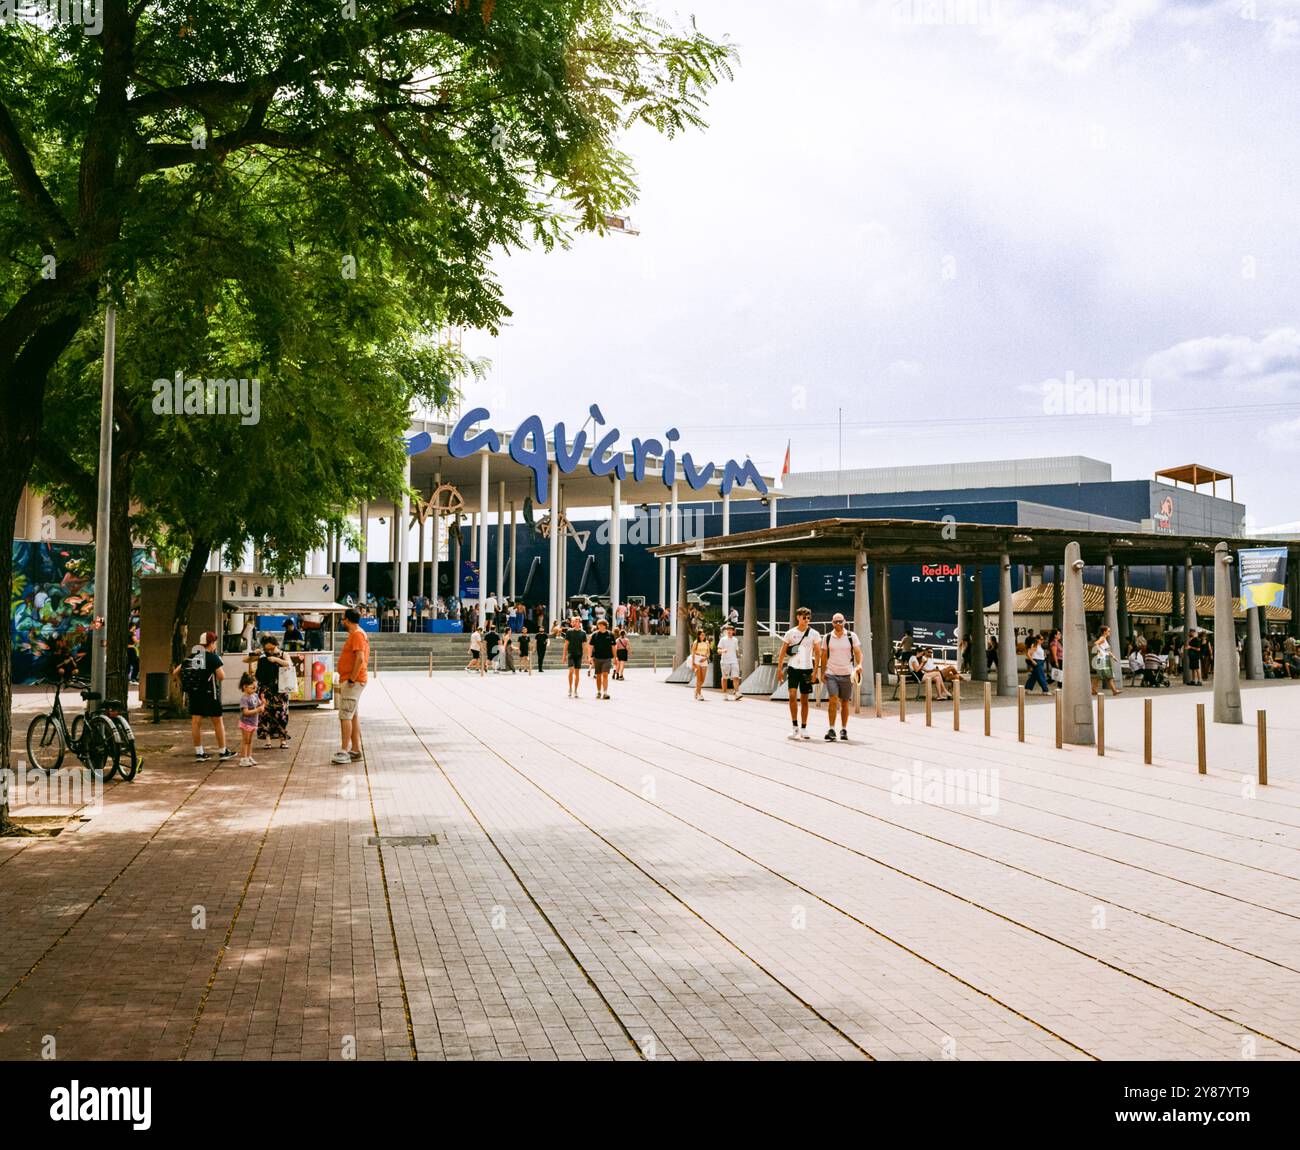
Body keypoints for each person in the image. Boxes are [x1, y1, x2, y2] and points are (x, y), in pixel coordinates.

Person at [173, 631, 236, 761]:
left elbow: (176, 672)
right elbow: (221, 677)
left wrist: (183, 683)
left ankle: (199, 753)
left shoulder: (194, 656)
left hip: (194, 693)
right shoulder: (212, 657)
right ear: (212, 643)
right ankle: (223, 751)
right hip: (209, 693)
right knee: (217, 722)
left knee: (196, 722)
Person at [776, 607, 821, 739]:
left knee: (805, 699)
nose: (806, 620)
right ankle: (794, 726)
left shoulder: (814, 633)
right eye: (804, 617)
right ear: (798, 617)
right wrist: (779, 669)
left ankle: (804, 727)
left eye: (808, 617)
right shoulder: (791, 633)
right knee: (792, 694)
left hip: (807, 668)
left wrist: (815, 671)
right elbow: (783, 651)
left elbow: (818, 652)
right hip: (793, 667)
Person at [332, 608, 369, 765]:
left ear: (347, 620)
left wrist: (352, 679)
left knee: (345, 714)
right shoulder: (357, 634)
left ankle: (344, 750)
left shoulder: (357, 634)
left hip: (352, 681)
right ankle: (355, 749)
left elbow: (360, 658)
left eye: (343, 619)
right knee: (352, 715)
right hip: (352, 679)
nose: (342, 622)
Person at [819, 613, 862, 741]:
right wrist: (822, 672)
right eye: (836, 622)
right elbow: (823, 656)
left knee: (844, 702)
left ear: (844, 622)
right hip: (831, 673)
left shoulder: (851, 636)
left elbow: (858, 653)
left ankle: (843, 729)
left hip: (847, 674)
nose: (838, 624)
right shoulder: (827, 637)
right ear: (832, 623)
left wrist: (859, 665)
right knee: (832, 699)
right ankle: (831, 729)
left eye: (840, 621)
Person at [253, 635, 293, 750]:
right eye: (267, 649)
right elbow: (246, 660)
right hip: (265, 689)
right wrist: (255, 654)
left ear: (276, 645)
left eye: (271, 648)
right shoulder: (262, 655)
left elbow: (289, 664)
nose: (269, 651)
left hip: (280, 689)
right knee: (265, 714)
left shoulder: (283, 654)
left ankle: (283, 740)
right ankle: (268, 741)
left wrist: (276, 660)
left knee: (281, 714)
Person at [236, 673, 264, 767]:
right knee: (245, 741)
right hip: (246, 723)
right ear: (245, 687)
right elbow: (245, 712)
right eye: (253, 687)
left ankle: (249, 756)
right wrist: (257, 710)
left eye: (256, 687)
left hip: (253, 722)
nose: (255, 689)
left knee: (250, 741)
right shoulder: (244, 698)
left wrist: (263, 702)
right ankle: (243, 759)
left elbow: (260, 706)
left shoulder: (255, 696)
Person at [588, 618, 616, 700]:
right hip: (597, 658)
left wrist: (615, 657)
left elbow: (613, 647)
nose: (599, 626)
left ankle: (605, 692)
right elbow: (590, 646)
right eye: (598, 625)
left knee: (605, 674)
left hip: (607, 658)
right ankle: (599, 691)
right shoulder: (594, 635)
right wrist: (589, 657)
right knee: (598, 676)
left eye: (600, 625)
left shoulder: (610, 635)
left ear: (605, 626)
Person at [563, 616, 588, 698]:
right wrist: (564, 656)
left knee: (577, 673)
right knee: (571, 671)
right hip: (571, 653)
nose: (576, 622)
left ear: (580, 622)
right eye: (575, 621)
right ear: (573, 622)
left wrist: (585, 656)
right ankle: (570, 688)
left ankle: (575, 690)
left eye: (578, 621)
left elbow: (584, 645)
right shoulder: (569, 632)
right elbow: (566, 644)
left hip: (579, 654)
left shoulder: (583, 633)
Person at [1092, 625, 1119, 696]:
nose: (1109, 632)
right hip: (1102, 659)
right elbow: (1096, 643)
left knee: (1102, 675)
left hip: (1104, 659)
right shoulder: (1102, 638)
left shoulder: (1104, 639)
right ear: (1104, 632)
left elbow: (1107, 650)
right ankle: (1114, 691)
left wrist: (1113, 656)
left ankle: (1094, 690)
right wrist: (1100, 652)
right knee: (1105, 675)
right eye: (1108, 631)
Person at [717, 621, 742, 700]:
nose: (729, 631)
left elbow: (736, 650)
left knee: (736, 677)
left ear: (733, 631)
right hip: (725, 661)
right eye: (728, 630)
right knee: (724, 678)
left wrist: (739, 655)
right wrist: (722, 651)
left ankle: (737, 693)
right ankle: (725, 694)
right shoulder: (723, 639)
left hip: (734, 661)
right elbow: (718, 650)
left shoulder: (735, 640)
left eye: (730, 630)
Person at [690, 627, 712, 701]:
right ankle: (699, 694)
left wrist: (706, 658)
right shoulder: (696, 642)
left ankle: (696, 690)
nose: (703, 636)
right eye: (702, 635)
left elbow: (709, 652)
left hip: (704, 659)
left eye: (704, 635)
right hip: (697, 659)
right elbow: (692, 653)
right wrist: (693, 663)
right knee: (699, 678)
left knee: (703, 679)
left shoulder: (707, 642)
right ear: (699, 635)